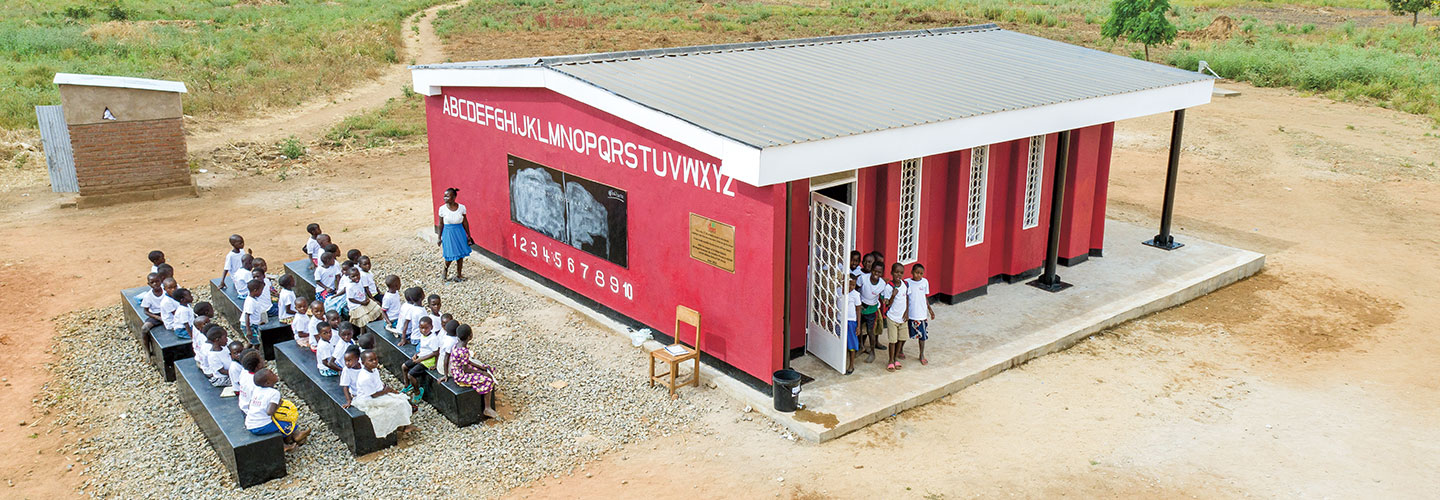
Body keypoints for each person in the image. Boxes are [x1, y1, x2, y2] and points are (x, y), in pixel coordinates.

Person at [344, 351, 415, 437]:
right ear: (363, 363)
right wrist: (386, 391)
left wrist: (390, 390)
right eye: (371, 360)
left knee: (401, 398)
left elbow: (379, 384)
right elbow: (373, 395)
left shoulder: (373, 370)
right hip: (369, 399)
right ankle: (402, 427)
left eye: (375, 359)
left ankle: (402, 424)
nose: (374, 362)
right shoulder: (365, 377)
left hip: (379, 393)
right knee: (399, 403)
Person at [440, 324, 499, 419]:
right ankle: (487, 408)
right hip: (461, 376)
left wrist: (480, 367)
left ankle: (489, 395)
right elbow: (466, 369)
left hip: (458, 370)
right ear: (470, 336)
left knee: (486, 368)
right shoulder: (463, 351)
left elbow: (467, 362)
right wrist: (481, 373)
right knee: (487, 379)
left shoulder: (456, 345)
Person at [245, 369, 311, 451]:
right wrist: (279, 404)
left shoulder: (256, 390)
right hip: (262, 426)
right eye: (272, 374)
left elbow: (249, 406)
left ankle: (294, 438)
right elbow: (270, 412)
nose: (274, 373)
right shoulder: (274, 393)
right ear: (268, 383)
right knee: (287, 423)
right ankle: (289, 443)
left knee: (281, 420)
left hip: (250, 424)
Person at [856, 261, 892, 363]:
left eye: (879, 272)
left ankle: (872, 352)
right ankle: (861, 347)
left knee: (870, 331)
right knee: (858, 329)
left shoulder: (882, 284)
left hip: (872, 310)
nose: (876, 274)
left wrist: (886, 300)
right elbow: (856, 289)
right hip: (861, 307)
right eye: (875, 271)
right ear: (871, 270)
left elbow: (883, 296)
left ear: (882, 273)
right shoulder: (863, 278)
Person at [436, 187, 473, 282]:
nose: (445, 198)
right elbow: (441, 224)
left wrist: (468, 235)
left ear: (454, 197)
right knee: (449, 254)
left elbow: (465, 222)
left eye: (447, 196)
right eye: (444, 196)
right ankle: (445, 269)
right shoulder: (442, 209)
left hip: (459, 232)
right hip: (448, 233)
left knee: (460, 255)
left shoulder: (461, 208)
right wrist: (439, 237)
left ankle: (459, 274)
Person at [401, 317, 437, 404]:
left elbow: (435, 353)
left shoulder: (433, 338)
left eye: (426, 328)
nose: (424, 330)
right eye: (421, 328)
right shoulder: (423, 335)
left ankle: (417, 392)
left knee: (411, 375)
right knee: (404, 366)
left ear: (431, 327)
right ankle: (407, 385)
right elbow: (422, 348)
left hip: (428, 361)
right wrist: (416, 354)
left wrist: (421, 360)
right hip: (421, 356)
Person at [906, 263, 935, 366]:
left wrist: (930, 310)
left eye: (921, 273)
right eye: (917, 273)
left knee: (922, 336)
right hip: (910, 314)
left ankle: (921, 354)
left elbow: (924, 297)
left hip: (921, 314)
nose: (918, 275)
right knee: (905, 334)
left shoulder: (924, 282)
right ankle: (899, 350)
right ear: (912, 272)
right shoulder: (907, 283)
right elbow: (906, 299)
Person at [882, 262, 909, 371]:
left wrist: (907, 312)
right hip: (892, 317)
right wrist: (893, 295)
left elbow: (907, 298)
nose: (899, 275)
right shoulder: (889, 287)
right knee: (893, 341)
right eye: (896, 272)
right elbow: (887, 304)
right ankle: (891, 360)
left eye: (901, 273)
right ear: (892, 273)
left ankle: (896, 357)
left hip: (903, 317)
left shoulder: (905, 284)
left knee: (902, 338)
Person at [240, 279, 268, 346]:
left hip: (253, 325)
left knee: (252, 341)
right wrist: (248, 330)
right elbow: (247, 315)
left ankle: (244, 353)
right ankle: (254, 354)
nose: (262, 292)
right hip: (249, 326)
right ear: (255, 290)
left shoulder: (254, 299)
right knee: (256, 344)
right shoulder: (250, 302)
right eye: (261, 290)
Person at [844, 279, 860, 375]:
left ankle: (851, 365)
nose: (851, 287)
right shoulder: (839, 291)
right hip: (840, 320)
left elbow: (858, 310)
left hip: (851, 321)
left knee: (851, 344)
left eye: (853, 285)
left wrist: (858, 325)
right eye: (849, 284)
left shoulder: (856, 295)